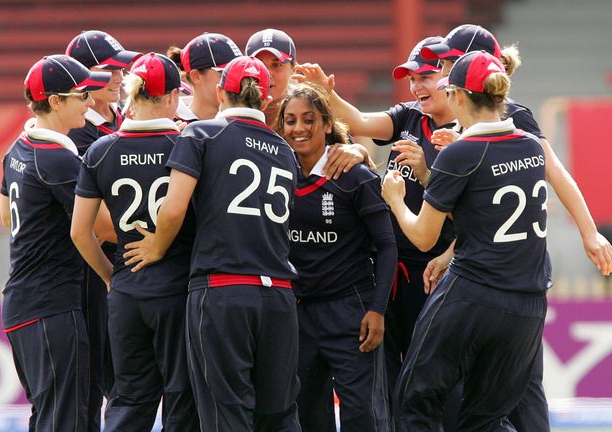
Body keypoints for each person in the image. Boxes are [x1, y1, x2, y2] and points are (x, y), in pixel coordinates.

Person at [419, 24, 612, 431]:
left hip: (503, 280)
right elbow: (490, 210)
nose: (440, 72)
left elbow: (554, 172)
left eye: (448, 62)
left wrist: (589, 231)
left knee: (521, 389)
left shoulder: (513, 117)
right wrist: (449, 252)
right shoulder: (474, 123)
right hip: (505, 280)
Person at [124, 56, 301, 431]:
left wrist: (156, 247)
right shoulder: (286, 151)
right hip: (279, 295)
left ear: (221, 92)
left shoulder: (201, 134)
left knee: (226, 414)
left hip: (223, 292)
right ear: (267, 100)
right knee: (279, 415)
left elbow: (173, 211)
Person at [383, 50, 550, 431]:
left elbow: (423, 238)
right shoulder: (529, 145)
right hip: (528, 302)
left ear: (458, 96)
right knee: (484, 419)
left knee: (414, 399)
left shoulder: (460, 152)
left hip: (474, 293)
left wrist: (395, 199)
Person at [292, 37, 458, 401]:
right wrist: (328, 97)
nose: (417, 86)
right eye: (412, 78)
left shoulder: (470, 133)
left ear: (449, 76)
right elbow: (361, 121)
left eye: (426, 76)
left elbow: (474, 211)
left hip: (437, 271)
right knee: (390, 380)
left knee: (435, 380)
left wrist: (428, 172)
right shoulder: (410, 117)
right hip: (392, 272)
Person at [70, 53, 199, 431]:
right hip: (178, 291)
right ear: (173, 96)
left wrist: (112, 277)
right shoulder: (189, 143)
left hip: (126, 294)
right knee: (181, 398)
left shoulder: (100, 149)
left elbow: (80, 231)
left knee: (129, 402)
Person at [0, 54, 110, 431]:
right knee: (68, 420)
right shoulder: (57, 159)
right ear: (57, 101)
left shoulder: (20, 146)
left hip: (22, 305)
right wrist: (112, 276)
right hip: (52, 306)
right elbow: (102, 227)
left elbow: (4, 216)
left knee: (49, 417)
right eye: (82, 95)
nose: (91, 102)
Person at [278, 84, 396, 432]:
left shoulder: (355, 177)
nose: (298, 128)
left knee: (362, 414)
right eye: (290, 120)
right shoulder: (277, 176)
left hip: (351, 312)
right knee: (308, 412)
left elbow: (387, 246)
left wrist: (377, 310)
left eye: (308, 119)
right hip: (300, 313)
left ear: (327, 124)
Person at [65, 30, 140, 430]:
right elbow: (91, 221)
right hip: (97, 273)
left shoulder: (123, 120)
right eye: (108, 70)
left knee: (128, 383)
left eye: (121, 67)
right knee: (103, 384)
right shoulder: (78, 134)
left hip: (124, 267)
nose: (118, 76)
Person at [168, 32, 243, 121]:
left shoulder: (251, 121)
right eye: (224, 73)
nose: (237, 81)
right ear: (195, 76)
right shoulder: (173, 127)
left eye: (239, 72)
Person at [246, 28, 298, 126]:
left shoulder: (309, 111)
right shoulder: (232, 110)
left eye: (276, 65)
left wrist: (327, 93)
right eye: (260, 65)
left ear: (294, 69)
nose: (268, 74)